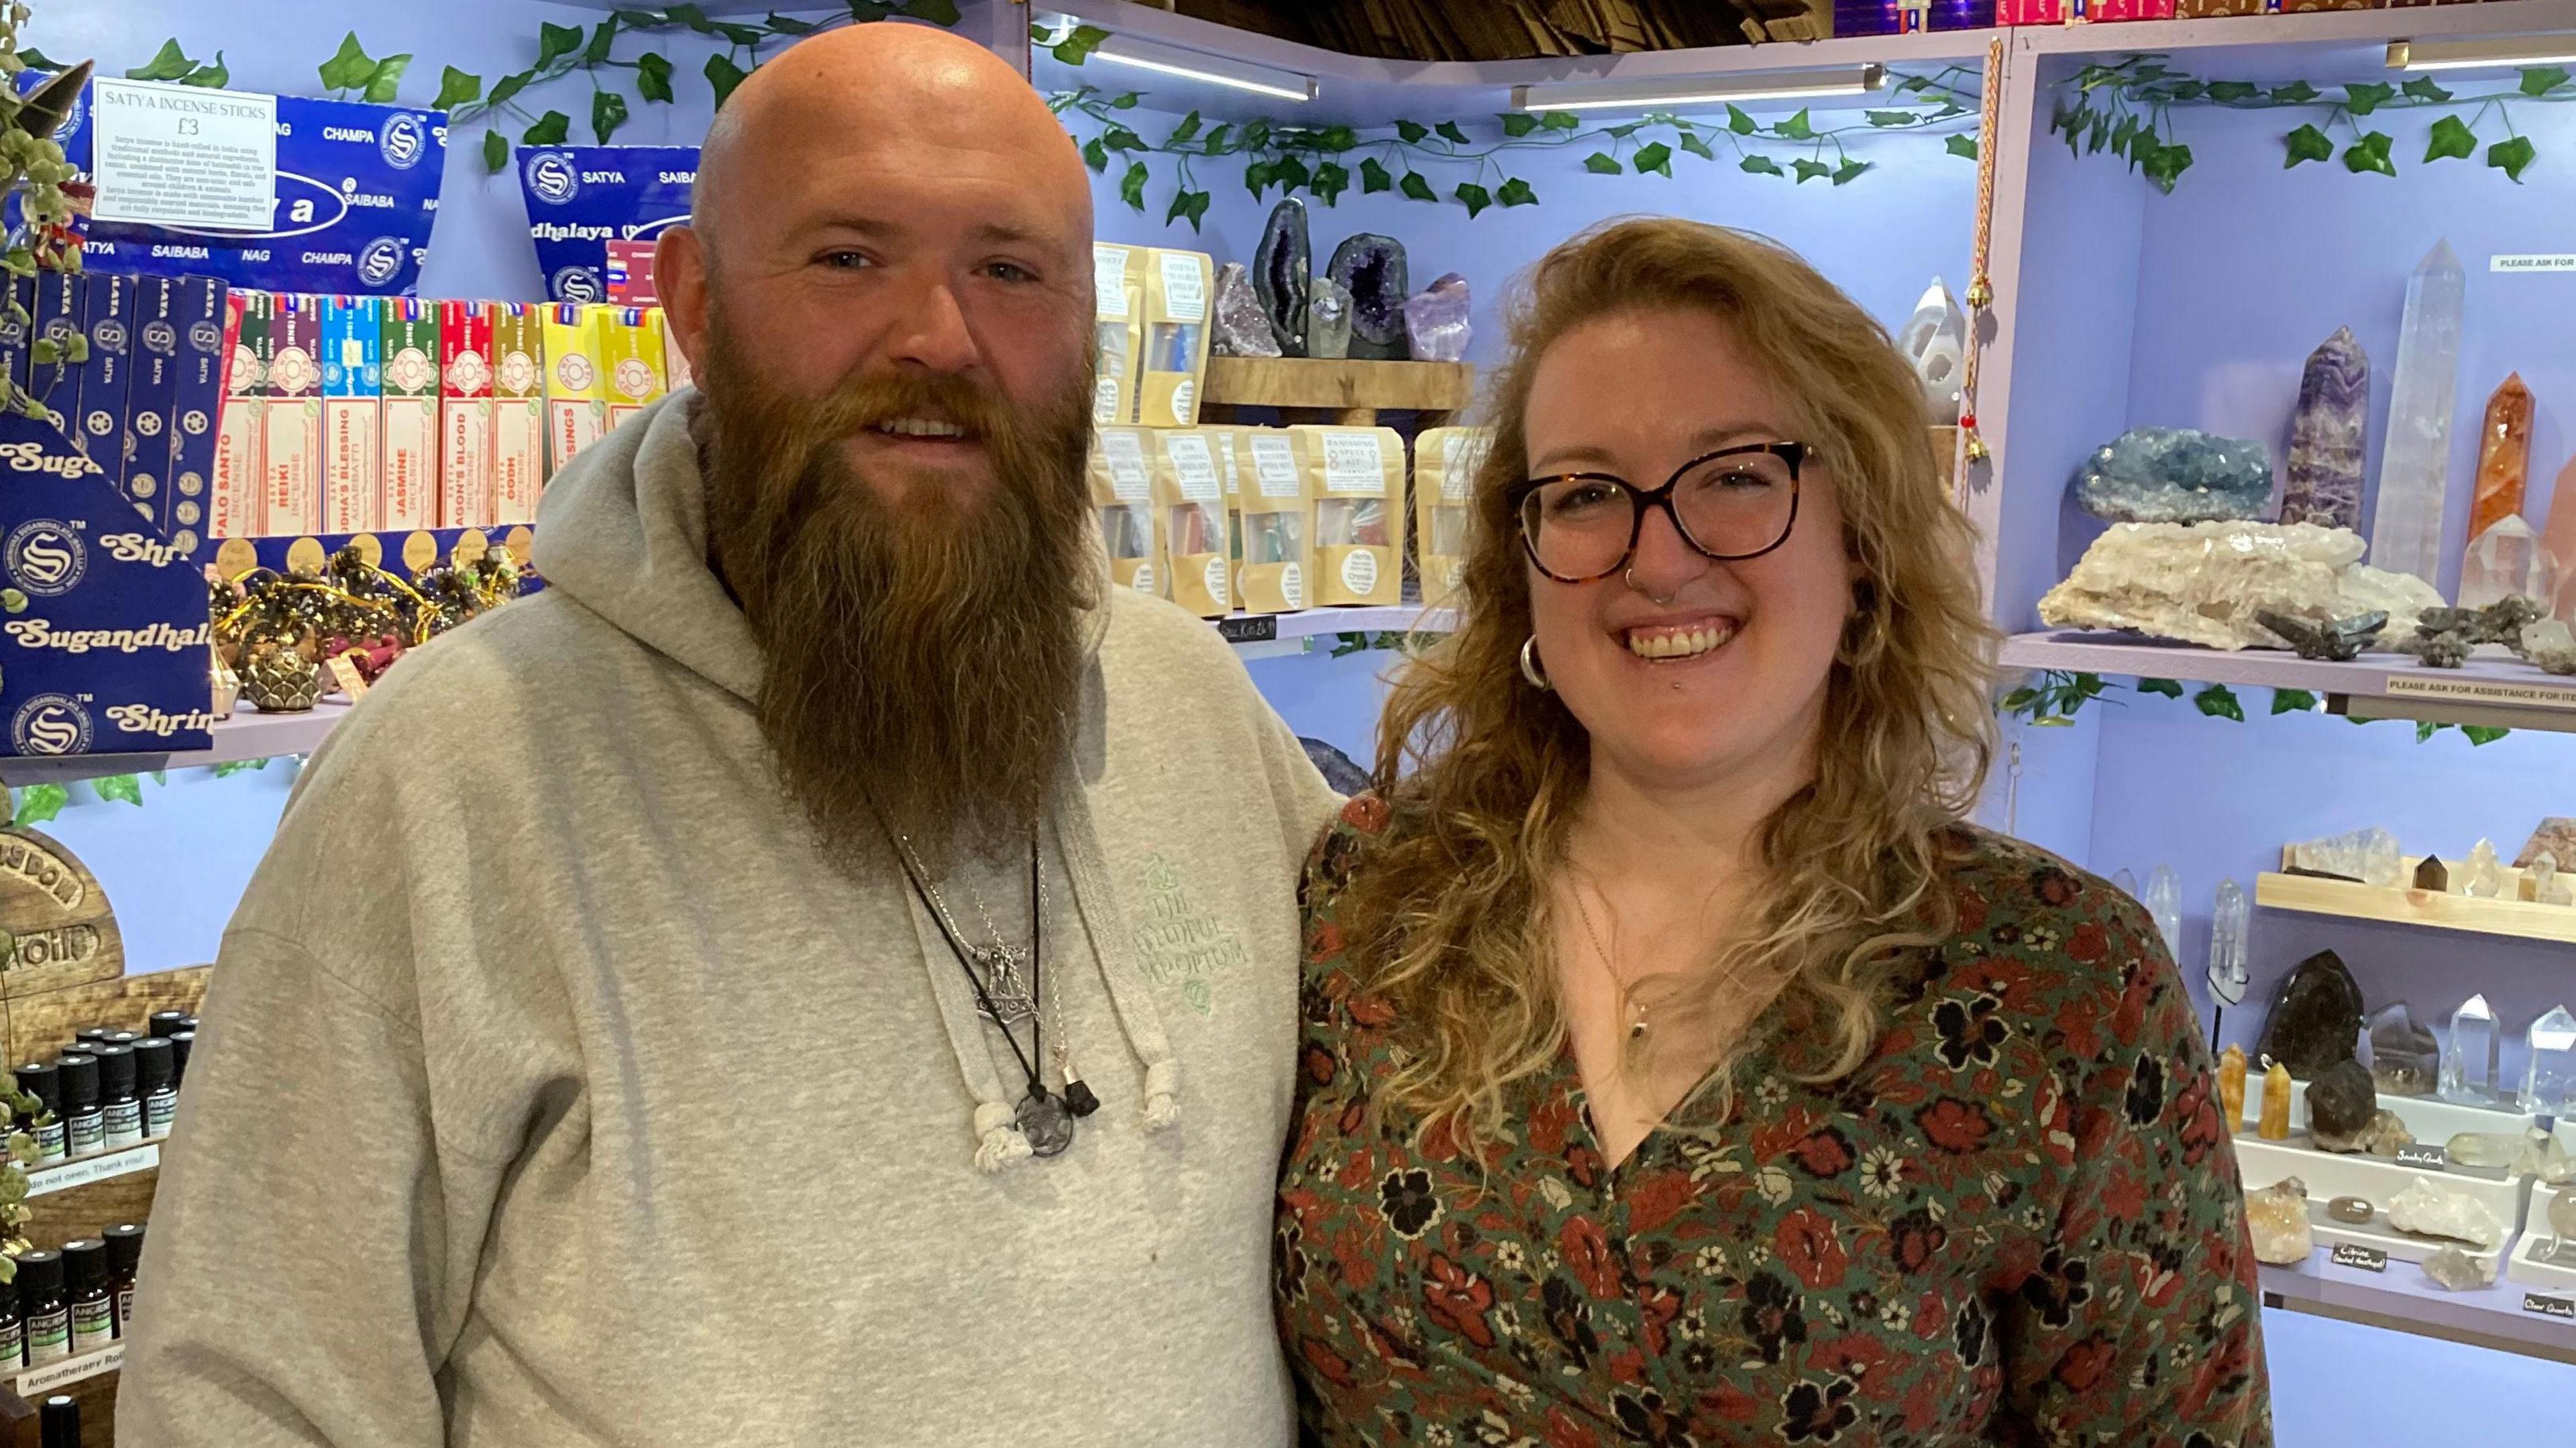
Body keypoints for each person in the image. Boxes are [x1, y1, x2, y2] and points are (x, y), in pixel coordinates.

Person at [121, 23, 1336, 1446]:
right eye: (847, 257)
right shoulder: (452, 775)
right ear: (693, 302)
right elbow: (248, 1393)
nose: (938, 336)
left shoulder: (1196, 711)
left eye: (1010, 271)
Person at [1277, 219, 2270, 1445]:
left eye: (1737, 474)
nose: (1658, 557)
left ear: (1860, 539)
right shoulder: (1374, 897)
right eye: (1586, 493)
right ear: (1518, 559)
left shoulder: (2061, 984)